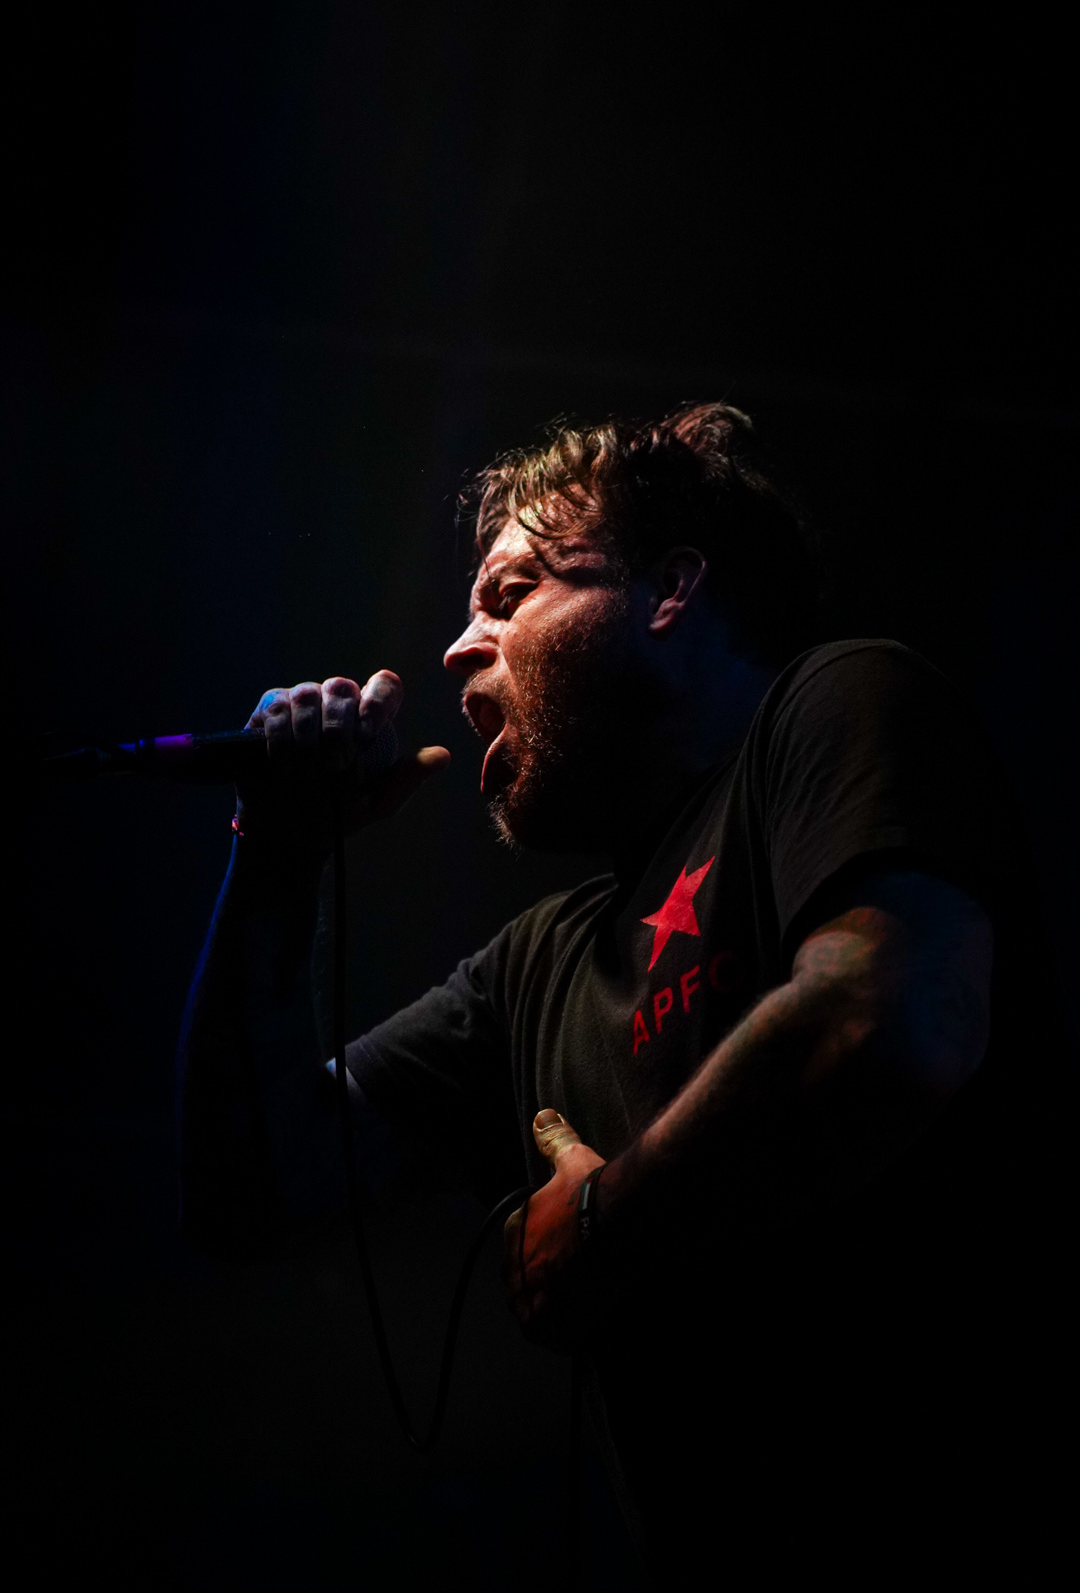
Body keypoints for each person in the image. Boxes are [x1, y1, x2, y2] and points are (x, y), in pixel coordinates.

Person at [177, 401, 1051, 1583]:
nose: (458, 648)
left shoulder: (839, 702)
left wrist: (604, 1224)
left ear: (669, 591)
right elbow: (251, 1189)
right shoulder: (535, 966)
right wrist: (277, 852)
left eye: (511, 592)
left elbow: (890, 1017)